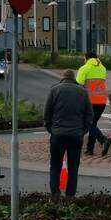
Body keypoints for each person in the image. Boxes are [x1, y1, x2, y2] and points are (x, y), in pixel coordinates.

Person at [44, 69, 93, 198]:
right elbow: (89, 114)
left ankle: (55, 192)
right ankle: (70, 194)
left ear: (63, 77)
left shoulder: (54, 90)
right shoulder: (83, 92)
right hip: (76, 135)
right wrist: (83, 131)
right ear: (74, 78)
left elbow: (47, 112)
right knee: (73, 167)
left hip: (57, 134)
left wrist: (50, 129)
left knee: (55, 165)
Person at [77, 50, 111, 156]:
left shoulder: (84, 68)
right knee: (93, 123)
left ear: (87, 58)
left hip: (89, 100)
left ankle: (103, 140)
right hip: (102, 100)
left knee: (89, 123)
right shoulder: (103, 68)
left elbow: (78, 84)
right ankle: (90, 149)